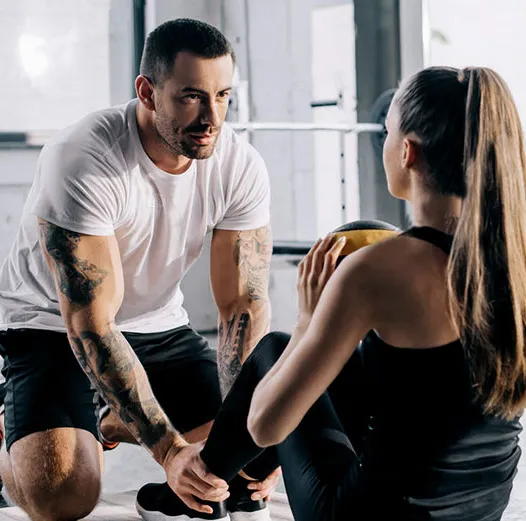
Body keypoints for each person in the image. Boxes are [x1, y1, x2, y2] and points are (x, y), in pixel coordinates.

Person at [157, 66, 526, 521]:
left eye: (387, 131)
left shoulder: (375, 269)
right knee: (353, 363)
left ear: (407, 152)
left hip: (368, 516)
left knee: (275, 350)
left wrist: (308, 321)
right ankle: (223, 489)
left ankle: (196, 491)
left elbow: (265, 425)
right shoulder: (515, 261)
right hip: (483, 510)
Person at [0, 18, 280, 521]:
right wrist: (170, 453)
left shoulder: (239, 164)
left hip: (157, 326)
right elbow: (92, 324)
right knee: (63, 496)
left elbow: (242, 306)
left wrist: (246, 433)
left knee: (237, 462)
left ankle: (112, 420)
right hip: (50, 327)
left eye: (223, 96)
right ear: (147, 92)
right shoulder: (84, 158)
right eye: (191, 97)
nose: (211, 117)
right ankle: (12, 428)